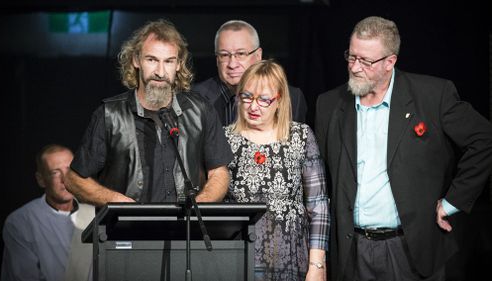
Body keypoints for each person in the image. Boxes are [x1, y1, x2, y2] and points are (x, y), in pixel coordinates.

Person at [314, 16, 492, 281]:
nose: (355, 67)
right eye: (351, 57)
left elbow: (484, 140)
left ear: (390, 62)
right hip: (352, 252)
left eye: (366, 61)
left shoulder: (432, 95)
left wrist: (452, 202)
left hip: (412, 249)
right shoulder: (329, 105)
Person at [64, 19, 232, 206]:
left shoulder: (200, 110)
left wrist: (198, 207)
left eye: (168, 61)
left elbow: (219, 172)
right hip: (127, 232)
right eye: (152, 60)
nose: (160, 72)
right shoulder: (110, 115)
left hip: (186, 232)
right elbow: (73, 179)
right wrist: (115, 201)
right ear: (136, 60)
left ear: (178, 64)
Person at [224, 60, 330, 281]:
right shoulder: (225, 139)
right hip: (240, 256)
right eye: (247, 97)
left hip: (291, 258)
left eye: (263, 100)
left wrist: (317, 264)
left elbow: (318, 206)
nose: (253, 107)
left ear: (279, 100)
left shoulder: (300, 136)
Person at [1, 144, 94, 281]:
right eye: (55, 172)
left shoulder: (95, 216)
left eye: (70, 171)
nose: (65, 180)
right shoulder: (20, 222)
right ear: (41, 180)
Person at [193, 20, 308, 126]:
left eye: (241, 54)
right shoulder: (194, 98)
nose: (232, 64)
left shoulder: (291, 98)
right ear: (217, 59)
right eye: (224, 55)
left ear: (258, 55)